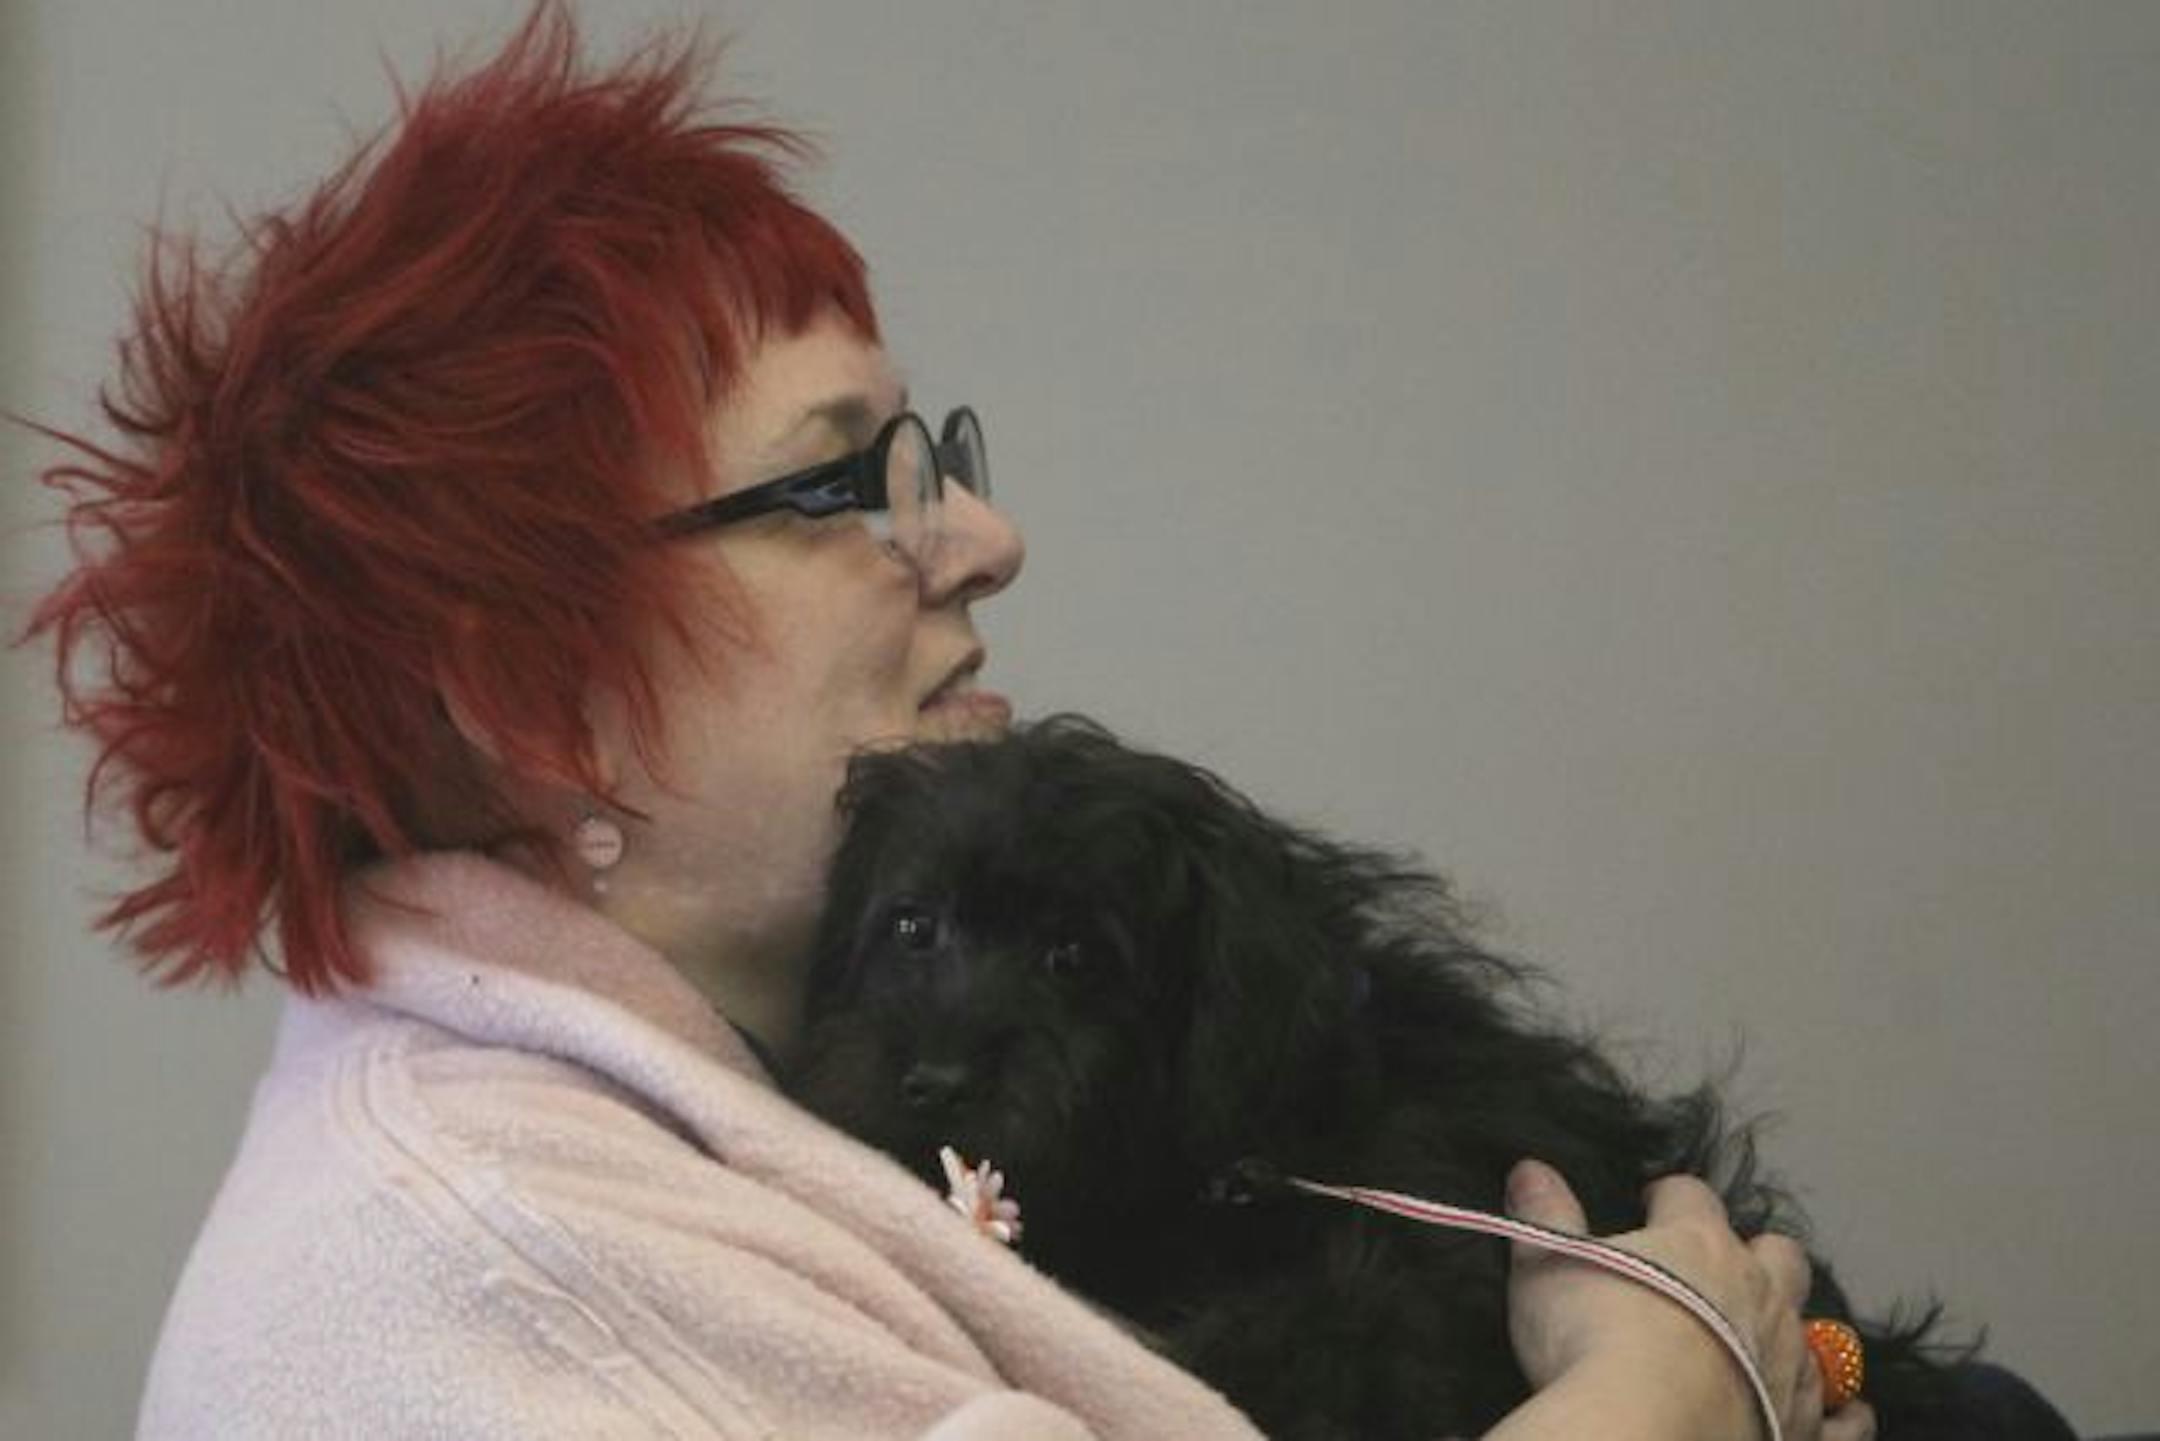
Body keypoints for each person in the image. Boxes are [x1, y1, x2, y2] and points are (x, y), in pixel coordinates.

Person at [24, 6, 1875, 1438]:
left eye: (940, 460)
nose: (986, 540)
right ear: (540, 696)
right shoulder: (524, 1296)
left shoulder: (671, 1131)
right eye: (843, 486)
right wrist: (1656, 1396)